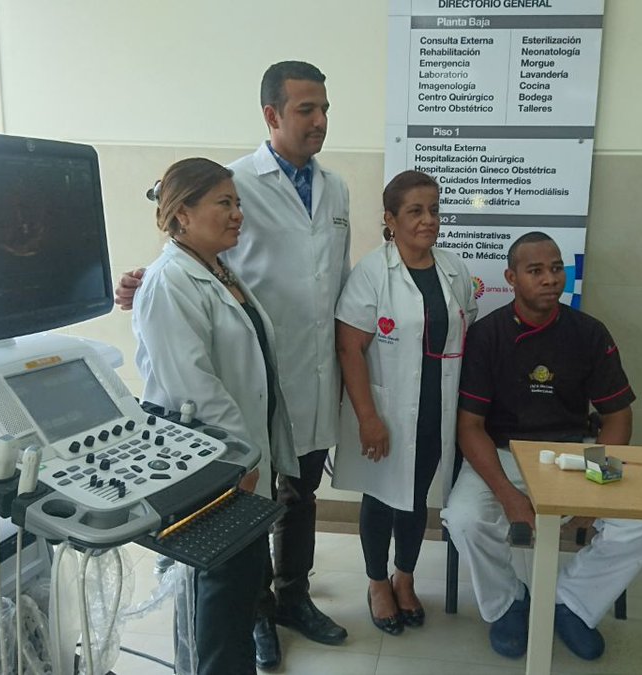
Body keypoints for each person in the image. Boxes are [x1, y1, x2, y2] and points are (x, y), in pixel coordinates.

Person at [116, 61, 350, 669]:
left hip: (295, 378)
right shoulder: (234, 182)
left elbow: (332, 279)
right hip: (239, 404)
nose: (319, 121)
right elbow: (183, 275)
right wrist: (143, 281)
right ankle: (258, 617)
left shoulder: (337, 190)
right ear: (272, 115)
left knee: (297, 495)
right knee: (232, 554)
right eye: (306, 109)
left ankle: (292, 597)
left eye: (325, 109)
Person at [439, 232, 642, 662]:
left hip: (576, 455)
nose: (550, 279)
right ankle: (509, 603)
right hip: (502, 453)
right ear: (511, 278)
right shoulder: (488, 334)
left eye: (555, 268)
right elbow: (469, 426)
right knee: (465, 520)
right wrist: (507, 495)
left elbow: (617, 416)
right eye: (535, 271)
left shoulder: (588, 333)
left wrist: (593, 484)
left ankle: (571, 603)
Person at [132, 157, 299, 675]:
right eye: (224, 203)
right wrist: (240, 458)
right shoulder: (169, 281)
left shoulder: (218, 270)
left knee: (239, 587)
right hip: (214, 466)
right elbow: (193, 386)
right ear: (182, 214)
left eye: (238, 203)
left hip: (240, 459)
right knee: (220, 597)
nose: (237, 214)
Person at [333, 170, 477, 635]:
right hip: (387, 412)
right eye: (415, 211)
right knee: (380, 496)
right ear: (390, 220)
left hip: (437, 411)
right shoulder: (373, 273)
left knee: (415, 499)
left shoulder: (454, 270)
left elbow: (464, 333)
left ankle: (405, 577)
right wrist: (368, 418)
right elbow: (349, 348)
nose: (428, 220)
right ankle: (378, 583)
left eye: (434, 210)